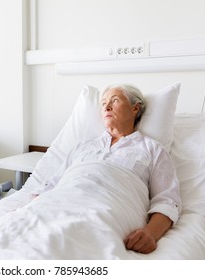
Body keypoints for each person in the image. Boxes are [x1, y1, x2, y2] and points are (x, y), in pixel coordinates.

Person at [32, 84, 182, 254]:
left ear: (135, 109)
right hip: (58, 206)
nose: (107, 107)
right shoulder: (82, 147)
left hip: (105, 212)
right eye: (103, 103)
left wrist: (151, 233)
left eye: (115, 100)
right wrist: (29, 210)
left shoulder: (152, 150)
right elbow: (52, 185)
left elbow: (167, 200)